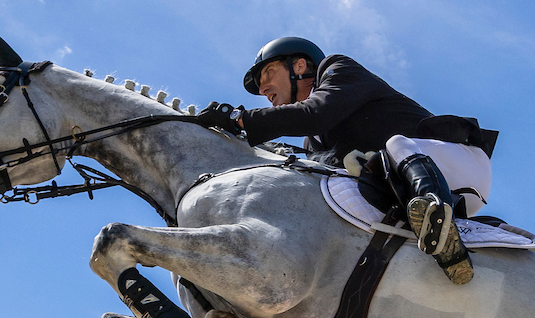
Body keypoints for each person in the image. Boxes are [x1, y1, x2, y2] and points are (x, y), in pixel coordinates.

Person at [197, 36, 497, 283]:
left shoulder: (338, 69)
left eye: (268, 74)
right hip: (408, 192)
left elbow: (315, 114)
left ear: (299, 65)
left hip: (459, 164)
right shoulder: (312, 141)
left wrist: (239, 119)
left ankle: (441, 225)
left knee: (395, 144)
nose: (262, 90)